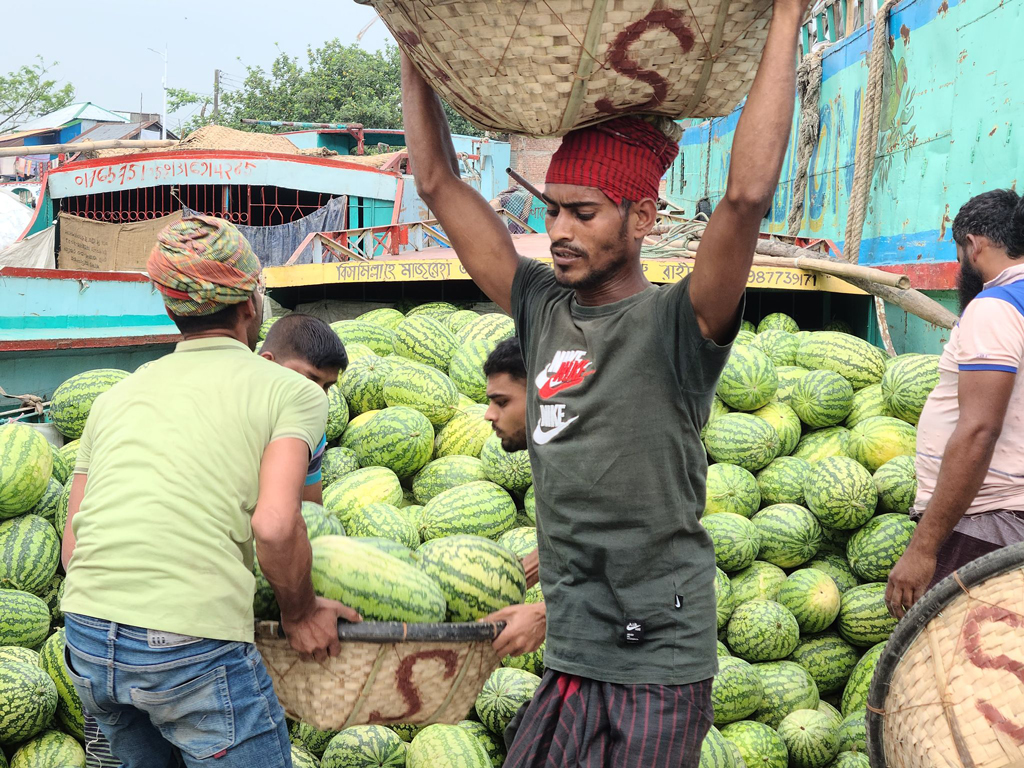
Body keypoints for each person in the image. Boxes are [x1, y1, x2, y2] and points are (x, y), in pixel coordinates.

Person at [401, 0, 806, 758]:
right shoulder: (540, 306)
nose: (558, 232)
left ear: (642, 217)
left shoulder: (679, 326)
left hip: (657, 652)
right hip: (572, 640)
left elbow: (746, 197)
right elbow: (435, 181)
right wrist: (409, 44)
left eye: (583, 213)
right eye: (551, 211)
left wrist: (786, 17)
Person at [61, 215, 360, 768]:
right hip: (187, 643)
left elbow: (71, 548)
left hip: (84, 633)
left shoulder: (113, 399)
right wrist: (300, 614)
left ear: (172, 307)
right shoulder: (291, 393)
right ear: (250, 303)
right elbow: (275, 524)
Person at [886, 190, 1024, 618]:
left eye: (959, 251)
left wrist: (922, 550)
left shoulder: (995, 308)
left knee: (964, 666)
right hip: (1009, 515)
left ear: (975, 243)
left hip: (986, 518)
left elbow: (979, 430)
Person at [480, 338, 545, 663]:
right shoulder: (552, 457)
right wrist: (517, 575)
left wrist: (546, 614)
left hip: (656, 664)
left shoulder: (602, 455)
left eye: (501, 402)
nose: (488, 415)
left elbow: (644, 549)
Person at [259, 313, 349, 505]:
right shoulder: (230, 407)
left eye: (327, 386)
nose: (319, 396)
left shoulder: (311, 431)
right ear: (268, 363)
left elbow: (310, 509)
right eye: (311, 380)